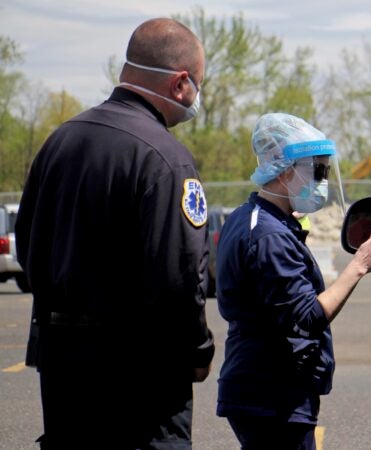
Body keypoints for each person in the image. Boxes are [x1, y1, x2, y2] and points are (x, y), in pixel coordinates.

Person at [15, 18, 215, 449]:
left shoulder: (59, 141)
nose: (196, 97)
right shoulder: (166, 159)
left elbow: (28, 245)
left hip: (63, 368)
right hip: (139, 381)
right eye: (198, 85)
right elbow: (179, 276)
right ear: (181, 83)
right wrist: (197, 351)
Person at [215, 112, 371, 450]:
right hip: (272, 394)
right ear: (286, 171)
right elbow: (307, 317)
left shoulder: (254, 218)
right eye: (316, 170)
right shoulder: (268, 236)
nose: (322, 180)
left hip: (264, 388)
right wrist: (358, 265)